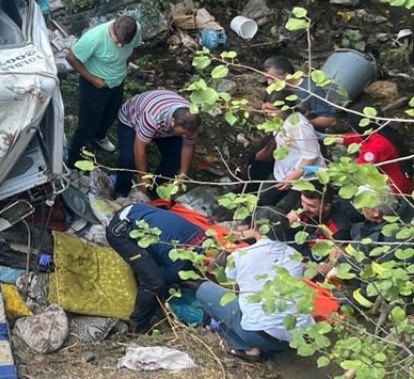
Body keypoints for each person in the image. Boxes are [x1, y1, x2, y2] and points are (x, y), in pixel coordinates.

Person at [196, 217, 312, 363]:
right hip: (301, 337)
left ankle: (246, 348)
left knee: (205, 290)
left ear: (256, 226)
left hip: (263, 338)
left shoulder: (240, 256)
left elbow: (229, 286)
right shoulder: (295, 256)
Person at [107, 203, 205, 332]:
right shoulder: (180, 265)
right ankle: (137, 327)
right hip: (121, 231)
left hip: (137, 210)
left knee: (157, 269)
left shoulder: (206, 237)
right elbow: (163, 282)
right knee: (155, 283)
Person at [65, 16, 141, 169]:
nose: (120, 46)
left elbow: (135, 48)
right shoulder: (93, 38)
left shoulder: (135, 28)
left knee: (111, 114)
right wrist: (93, 80)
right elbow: (71, 58)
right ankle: (73, 162)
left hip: (117, 82)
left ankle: (99, 137)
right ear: (112, 29)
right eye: (117, 41)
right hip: (94, 85)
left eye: (124, 44)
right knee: (87, 125)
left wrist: (123, 66)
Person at [113, 89, 202, 197]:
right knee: (128, 160)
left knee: (176, 157)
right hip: (131, 120)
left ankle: (155, 191)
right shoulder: (152, 117)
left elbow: (188, 146)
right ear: (173, 122)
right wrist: (142, 177)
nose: (184, 137)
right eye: (182, 133)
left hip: (164, 129)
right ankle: (121, 191)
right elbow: (139, 147)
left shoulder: (192, 125)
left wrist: (183, 174)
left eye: (187, 135)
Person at [252, 89, 323, 208]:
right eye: (266, 108)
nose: (267, 113)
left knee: (287, 210)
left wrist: (293, 177)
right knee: (262, 203)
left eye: (271, 110)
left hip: (302, 176)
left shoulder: (300, 126)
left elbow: (311, 156)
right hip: (283, 172)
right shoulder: (278, 121)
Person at [263, 56, 338, 132]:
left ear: (286, 75)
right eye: (267, 78)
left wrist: (302, 123)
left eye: (272, 78)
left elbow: (330, 120)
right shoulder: (274, 87)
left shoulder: (311, 91)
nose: (269, 82)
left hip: (309, 136)